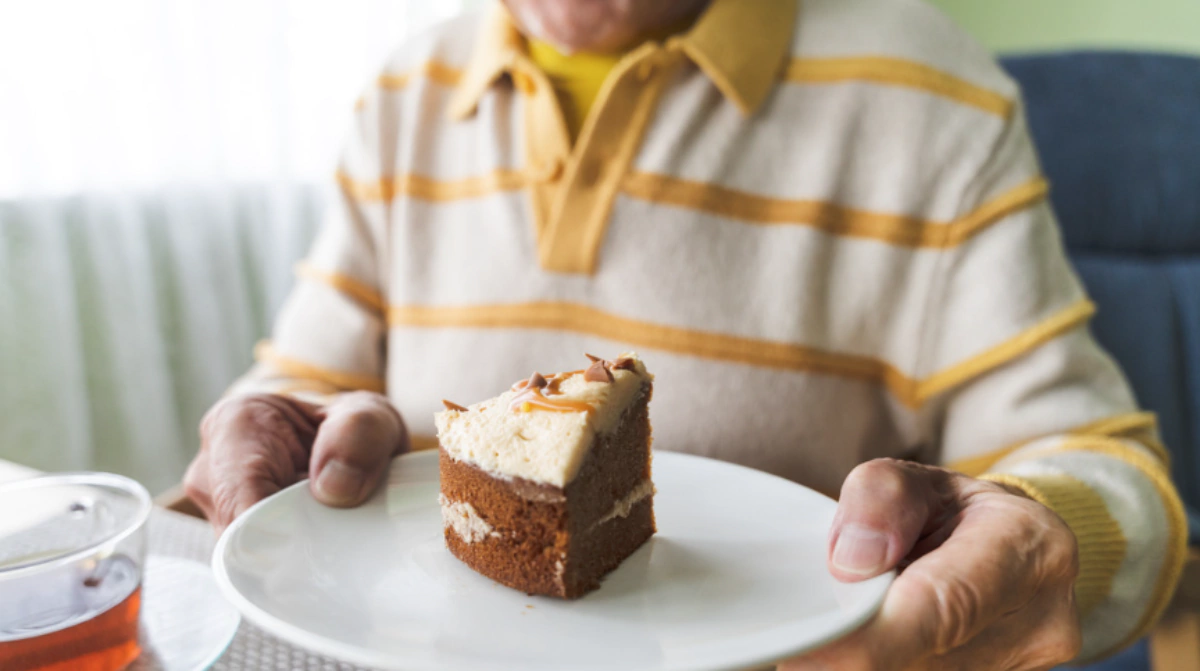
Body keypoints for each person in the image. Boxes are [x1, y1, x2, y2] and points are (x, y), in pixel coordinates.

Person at [182, 0, 1185, 668]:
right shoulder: (408, 91)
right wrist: (272, 429)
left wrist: (1044, 530)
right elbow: (302, 385)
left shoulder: (930, 100)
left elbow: (1116, 476)